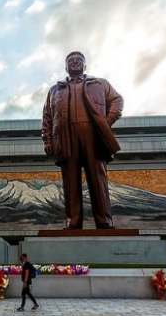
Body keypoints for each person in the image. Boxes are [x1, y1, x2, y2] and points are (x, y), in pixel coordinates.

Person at [41, 51, 124, 230]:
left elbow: (117, 100)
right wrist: (48, 140)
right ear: (66, 66)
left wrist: (106, 122)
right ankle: (73, 221)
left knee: (98, 179)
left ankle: (104, 221)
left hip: (93, 137)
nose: (75, 62)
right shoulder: (55, 90)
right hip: (65, 138)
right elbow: (47, 116)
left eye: (79, 60)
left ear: (85, 66)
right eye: (71, 60)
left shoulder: (100, 84)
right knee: (70, 182)